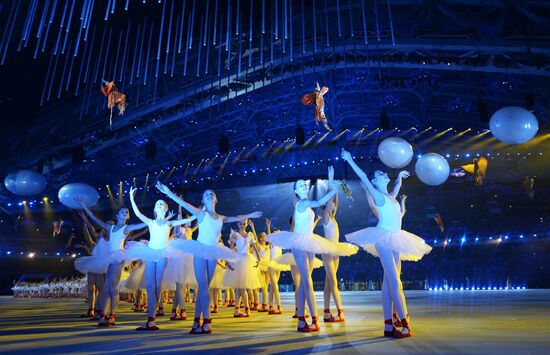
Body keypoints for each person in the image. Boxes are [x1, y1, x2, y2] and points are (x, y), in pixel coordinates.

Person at [342, 149, 432, 338]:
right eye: (379, 174)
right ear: (375, 182)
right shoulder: (378, 195)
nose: (384, 173)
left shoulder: (390, 196)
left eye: (384, 173)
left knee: (388, 282)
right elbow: (363, 176)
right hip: (384, 239)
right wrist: (350, 159)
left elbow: (396, 188)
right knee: (394, 281)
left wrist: (399, 176)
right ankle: (404, 321)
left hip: (396, 238)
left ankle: (389, 324)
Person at [156, 182, 261, 334]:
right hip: (200, 249)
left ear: (216, 200)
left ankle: (196, 322)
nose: (209, 195)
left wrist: (249, 216)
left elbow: (235, 218)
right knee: (203, 286)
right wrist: (169, 193)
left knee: (204, 287)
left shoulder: (221, 217)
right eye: (206, 195)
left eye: (212, 194)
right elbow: (183, 204)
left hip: (213, 251)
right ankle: (206, 320)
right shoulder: (201, 214)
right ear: (204, 201)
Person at [268, 167, 357, 332]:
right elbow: (318, 202)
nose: (303, 187)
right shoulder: (303, 203)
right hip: (301, 243)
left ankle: (301, 319)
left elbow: (327, 204)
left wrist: (331, 183)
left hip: (308, 242)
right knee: (307, 281)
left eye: (304, 185)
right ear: (295, 190)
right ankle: (314, 319)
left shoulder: (303, 205)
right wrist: (334, 189)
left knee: (303, 282)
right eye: (299, 185)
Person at [126, 187, 196, 331]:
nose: (159, 205)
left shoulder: (169, 223)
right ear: (155, 209)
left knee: (157, 286)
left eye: (161, 204)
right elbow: (138, 213)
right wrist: (131, 198)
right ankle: (150, 319)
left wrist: (198, 213)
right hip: (151, 252)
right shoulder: (151, 222)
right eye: (157, 204)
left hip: (163, 254)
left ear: (165, 208)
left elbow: (188, 218)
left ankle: (152, 318)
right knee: (151, 287)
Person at [74, 200, 146, 327]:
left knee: (112, 287)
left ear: (128, 217)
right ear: (117, 215)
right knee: (107, 289)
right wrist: (84, 206)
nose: (125, 213)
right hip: (109, 258)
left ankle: (112, 315)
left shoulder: (126, 228)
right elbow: (94, 219)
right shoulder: (110, 228)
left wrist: (154, 221)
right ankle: (103, 314)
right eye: (122, 211)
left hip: (118, 257)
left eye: (127, 212)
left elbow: (142, 224)